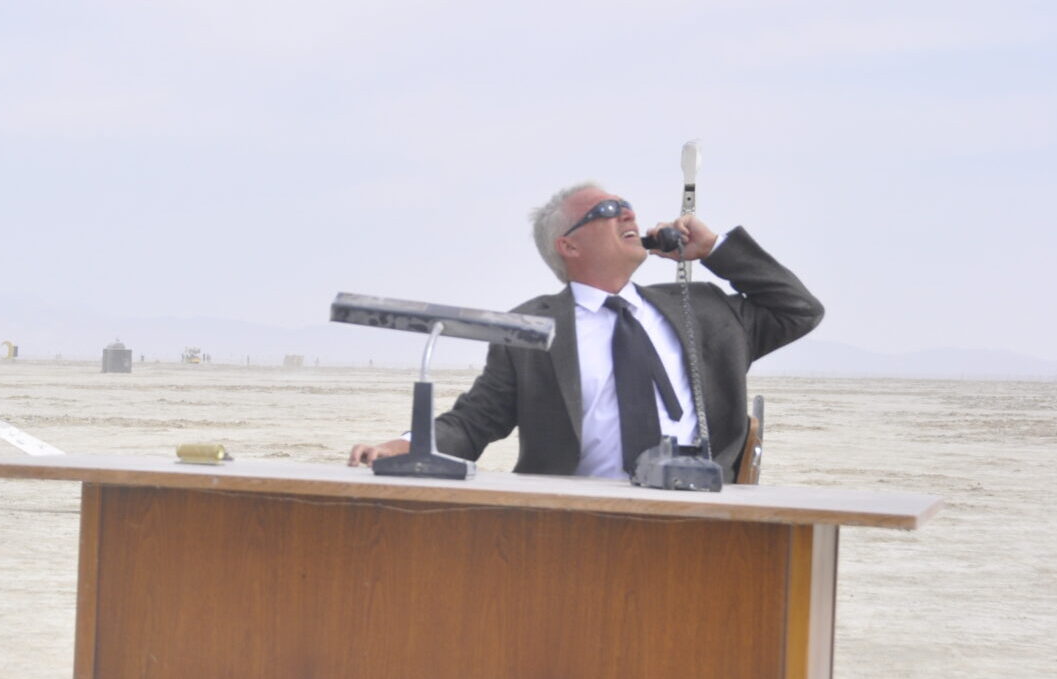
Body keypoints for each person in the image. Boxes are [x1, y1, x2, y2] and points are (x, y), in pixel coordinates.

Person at [348, 182, 823, 481]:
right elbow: (474, 422)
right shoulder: (531, 329)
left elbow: (798, 310)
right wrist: (406, 445)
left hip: (702, 510)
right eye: (609, 210)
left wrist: (716, 250)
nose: (630, 214)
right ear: (568, 245)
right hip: (579, 516)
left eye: (629, 206)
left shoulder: (702, 309)